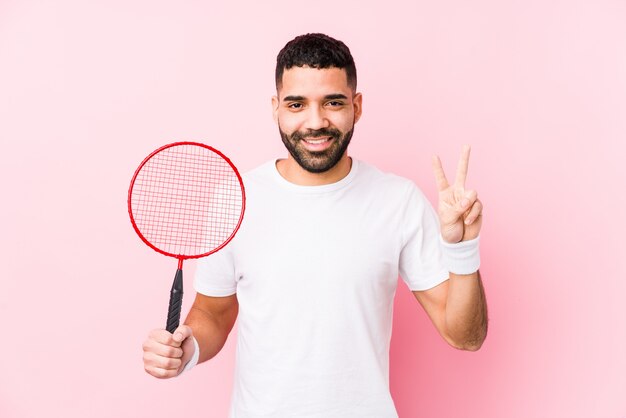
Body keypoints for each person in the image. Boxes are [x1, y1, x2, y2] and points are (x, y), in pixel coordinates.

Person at [142, 33, 488, 417]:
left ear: (356, 106)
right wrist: (186, 350)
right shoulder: (235, 199)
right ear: (276, 108)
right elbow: (213, 313)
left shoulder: (398, 201)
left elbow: (465, 336)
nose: (315, 122)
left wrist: (463, 249)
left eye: (333, 102)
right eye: (296, 104)